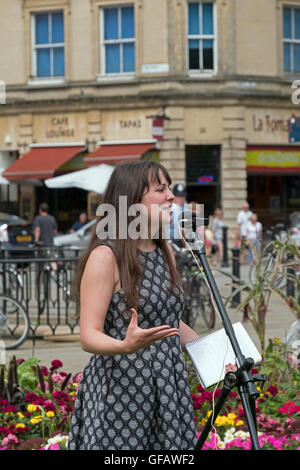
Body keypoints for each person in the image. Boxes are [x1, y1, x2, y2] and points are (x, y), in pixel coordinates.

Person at [67, 161, 200, 450]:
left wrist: (218, 351)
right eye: (160, 189)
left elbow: (168, 320)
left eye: (169, 187)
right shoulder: (106, 256)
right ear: (131, 200)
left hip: (167, 389)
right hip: (121, 395)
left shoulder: (165, 252)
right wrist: (124, 346)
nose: (170, 196)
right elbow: (88, 335)